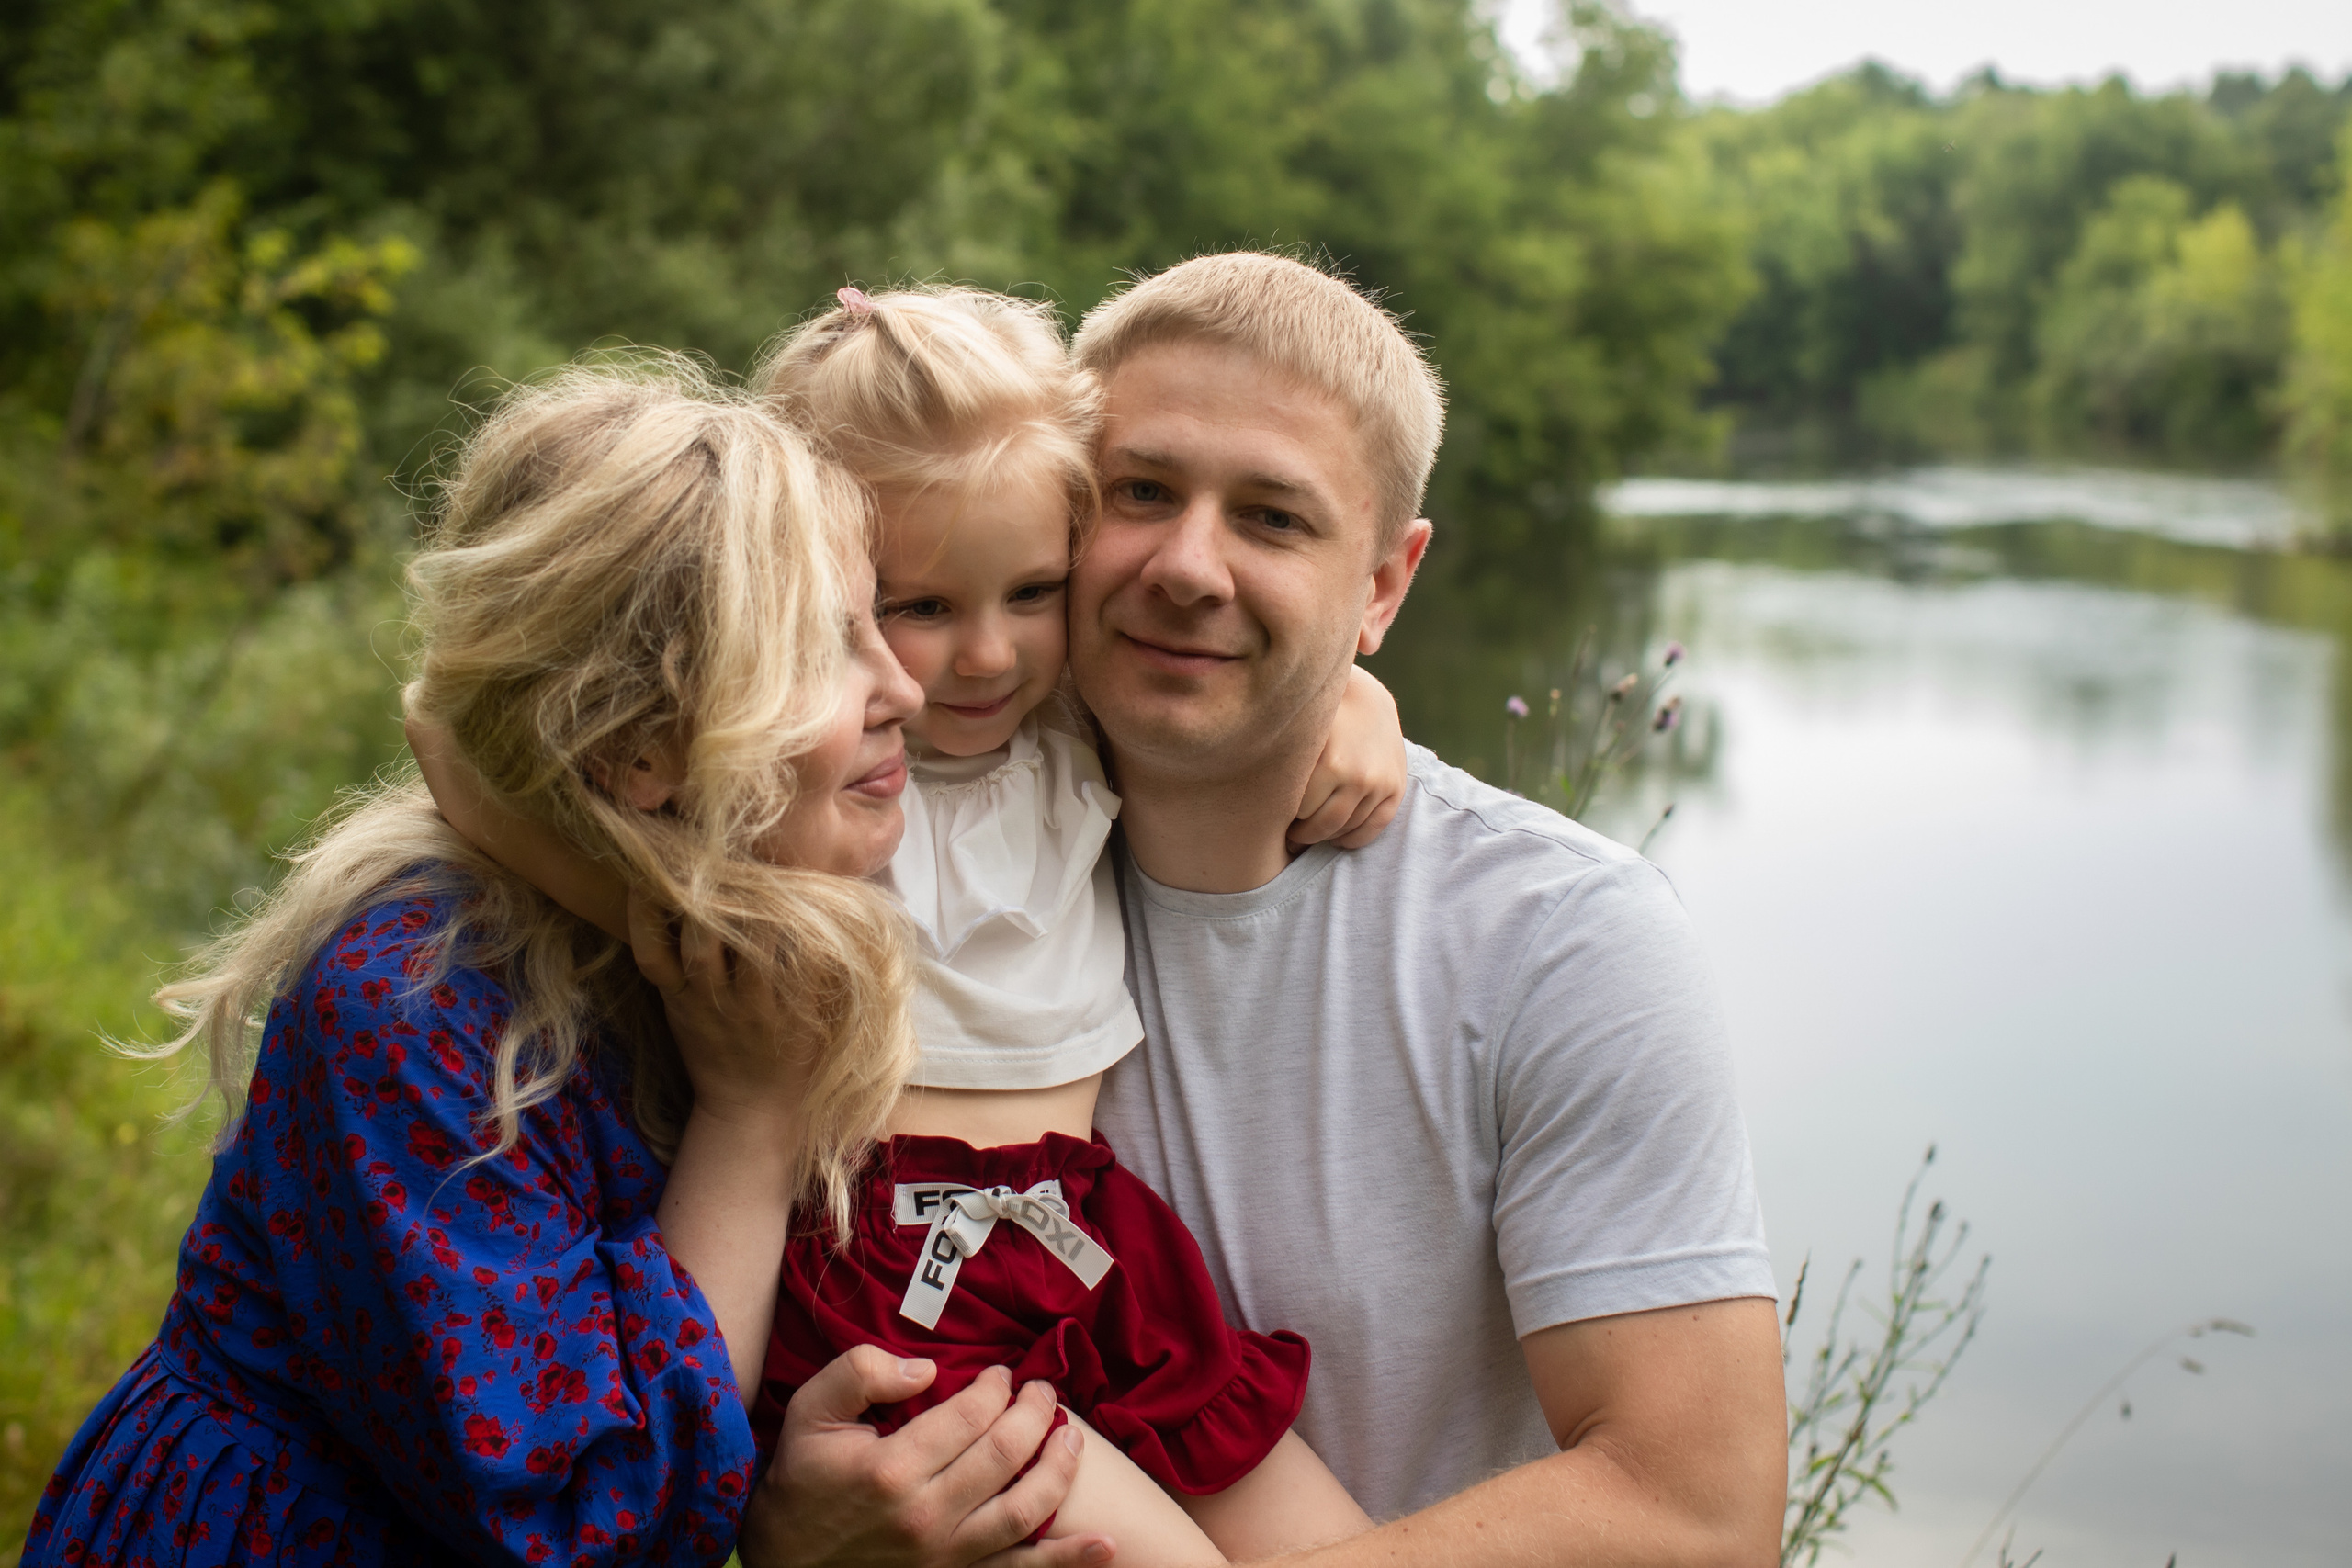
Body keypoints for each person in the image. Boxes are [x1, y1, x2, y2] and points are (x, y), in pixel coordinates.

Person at [741, 253, 1788, 1568]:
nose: (1187, 566)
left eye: (1275, 520)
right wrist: (784, 1529)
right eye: (1140, 493)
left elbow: (1699, 1517)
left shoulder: (1562, 941)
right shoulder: (901, 802)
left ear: (1385, 587)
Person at [20, 358, 1098, 1567]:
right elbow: (595, 1529)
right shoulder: (416, 1008)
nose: (907, 683)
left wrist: (1352, 711)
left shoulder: (702, 916)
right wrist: (751, 1118)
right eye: (832, 646)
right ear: (642, 746)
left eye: (878, 619)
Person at [413, 286, 1407, 1565]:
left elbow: (1234, 664)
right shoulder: (794, 784)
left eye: (1034, 590)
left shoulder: (1068, 723)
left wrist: (1356, 696)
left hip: (1095, 1250)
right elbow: (452, 737)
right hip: (891, 1278)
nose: (983, 658)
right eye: (917, 607)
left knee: (1343, 1546)